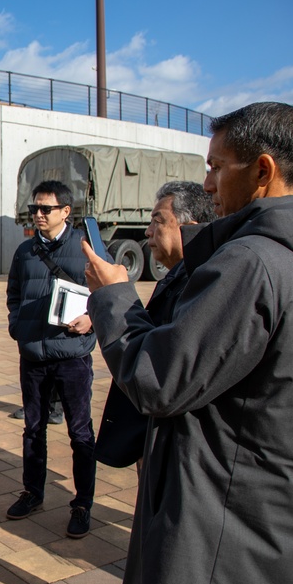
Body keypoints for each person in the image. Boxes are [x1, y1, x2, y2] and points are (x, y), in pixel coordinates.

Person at [83, 102, 293, 584]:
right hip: (272, 528)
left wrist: (114, 297)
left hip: (218, 540)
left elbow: (158, 377)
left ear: (263, 171)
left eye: (217, 167)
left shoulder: (253, 264)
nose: (206, 185)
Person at [94, 181, 214, 471]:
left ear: (189, 227)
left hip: (178, 452)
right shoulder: (176, 277)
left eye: (158, 220)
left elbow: (157, 372)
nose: (148, 231)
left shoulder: (204, 286)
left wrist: (114, 295)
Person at [4, 180, 96, 539]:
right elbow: (13, 292)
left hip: (72, 356)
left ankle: (83, 504)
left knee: (79, 432)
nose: (38, 214)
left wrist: (92, 319)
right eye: (34, 209)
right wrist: (17, 325)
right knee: (33, 428)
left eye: (46, 209)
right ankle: (33, 492)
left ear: (65, 212)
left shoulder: (86, 248)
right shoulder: (25, 251)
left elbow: (110, 294)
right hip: (33, 356)